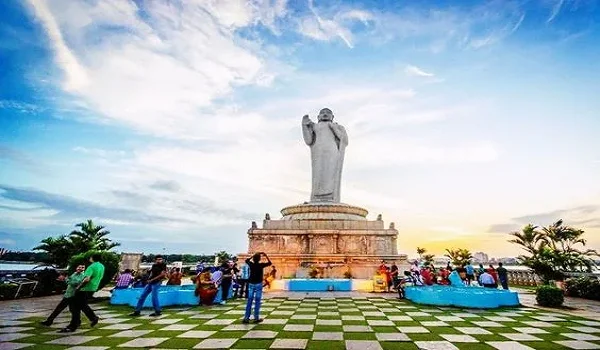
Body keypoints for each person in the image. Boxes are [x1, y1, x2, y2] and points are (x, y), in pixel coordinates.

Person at [61, 254, 104, 333]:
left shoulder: (91, 267)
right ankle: (76, 324)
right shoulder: (101, 266)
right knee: (80, 305)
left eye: (90, 257)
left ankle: (78, 323)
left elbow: (86, 279)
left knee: (75, 307)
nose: (90, 258)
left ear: (93, 258)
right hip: (93, 288)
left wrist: (79, 287)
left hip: (84, 288)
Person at [243, 252, 272, 324]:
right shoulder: (261, 265)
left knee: (249, 301)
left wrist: (253, 256)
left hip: (251, 283)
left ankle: (246, 318)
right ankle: (256, 318)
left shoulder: (251, 264)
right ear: (259, 259)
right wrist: (266, 255)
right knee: (257, 301)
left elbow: (246, 260)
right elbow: (270, 263)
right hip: (258, 283)